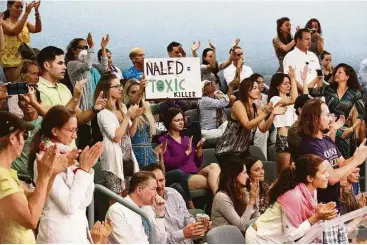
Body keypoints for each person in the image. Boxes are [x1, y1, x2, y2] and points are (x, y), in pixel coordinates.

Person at [28, 105, 103, 244]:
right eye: (71, 130)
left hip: (77, 232)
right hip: (58, 235)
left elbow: (85, 201)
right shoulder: (44, 160)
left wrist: (88, 169)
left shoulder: (69, 154)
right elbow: (69, 206)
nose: (75, 135)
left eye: (76, 130)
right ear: (55, 130)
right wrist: (84, 170)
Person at [0, 111, 65, 243]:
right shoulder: (2, 177)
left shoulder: (7, 173)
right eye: (24, 135)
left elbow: (34, 199)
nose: (25, 141)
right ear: (13, 138)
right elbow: (32, 219)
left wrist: (51, 174)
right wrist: (43, 176)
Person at [298, 99, 367, 222]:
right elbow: (332, 178)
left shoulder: (327, 140)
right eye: (327, 114)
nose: (330, 118)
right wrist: (356, 160)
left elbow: (342, 164)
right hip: (319, 210)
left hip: (334, 206)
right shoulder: (309, 145)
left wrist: (358, 154)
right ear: (315, 118)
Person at [245, 154, 338, 244]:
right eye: (323, 172)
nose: (328, 175)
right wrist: (315, 218)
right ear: (310, 178)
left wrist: (317, 211)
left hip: (278, 239)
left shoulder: (312, 191)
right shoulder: (293, 197)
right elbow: (290, 235)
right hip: (260, 239)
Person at [215, 77, 285, 162]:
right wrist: (265, 113)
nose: (258, 91)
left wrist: (272, 115)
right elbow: (247, 125)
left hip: (242, 151)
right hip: (228, 150)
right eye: (254, 88)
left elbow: (263, 128)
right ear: (246, 90)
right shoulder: (238, 104)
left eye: (258, 88)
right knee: (242, 167)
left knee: (258, 164)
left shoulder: (256, 107)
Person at [94, 73, 142, 196]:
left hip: (128, 157)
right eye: (116, 86)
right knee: (116, 197)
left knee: (128, 194)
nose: (120, 88)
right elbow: (115, 137)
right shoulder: (103, 113)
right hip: (113, 160)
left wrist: (135, 117)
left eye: (120, 85)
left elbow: (130, 133)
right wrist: (127, 117)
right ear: (107, 90)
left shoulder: (122, 107)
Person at [37, 46, 107, 125]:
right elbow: (55, 122)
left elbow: (80, 118)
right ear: (46, 65)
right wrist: (75, 98)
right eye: (60, 63)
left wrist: (94, 108)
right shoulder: (37, 89)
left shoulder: (63, 87)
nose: (64, 67)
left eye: (64, 63)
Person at [158, 107, 221, 195]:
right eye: (177, 120)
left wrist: (199, 150)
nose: (181, 123)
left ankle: (218, 201)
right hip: (182, 177)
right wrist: (186, 152)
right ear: (169, 123)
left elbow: (198, 163)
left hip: (195, 173)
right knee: (215, 182)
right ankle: (218, 201)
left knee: (214, 166)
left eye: (182, 120)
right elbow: (169, 163)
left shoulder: (187, 139)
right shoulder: (164, 140)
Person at [307, 63, 365, 158]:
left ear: (347, 76)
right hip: (328, 127)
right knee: (328, 158)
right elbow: (309, 90)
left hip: (344, 131)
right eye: (336, 72)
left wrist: (352, 128)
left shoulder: (355, 93)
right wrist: (318, 78)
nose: (336, 74)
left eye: (340, 72)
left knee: (343, 160)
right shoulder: (329, 89)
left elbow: (362, 114)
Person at [142, 164, 209, 244]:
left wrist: (198, 226)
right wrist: (183, 234)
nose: (159, 185)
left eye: (161, 180)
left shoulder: (173, 193)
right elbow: (158, 241)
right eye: (155, 182)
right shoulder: (145, 207)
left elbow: (186, 218)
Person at [65, 33, 109, 149]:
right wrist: (92, 46)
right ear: (73, 50)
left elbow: (104, 68)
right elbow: (87, 66)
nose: (85, 50)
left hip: (93, 106)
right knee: (84, 141)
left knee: (96, 140)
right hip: (82, 108)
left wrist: (103, 48)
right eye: (81, 47)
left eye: (86, 47)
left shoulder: (88, 65)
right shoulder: (72, 64)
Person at [106, 171, 167, 244]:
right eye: (153, 189)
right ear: (139, 190)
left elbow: (159, 241)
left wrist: (159, 213)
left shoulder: (147, 209)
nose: (156, 194)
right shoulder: (116, 211)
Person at [211, 155, 260, 233]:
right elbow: (242, 227)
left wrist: (255, 198)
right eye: (244, 173)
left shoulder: (242, 192)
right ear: (234, 175)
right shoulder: (221, 197)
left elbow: (254, 220)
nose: (247, 176)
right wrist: (251, 201)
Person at [1, 0, 42, 82]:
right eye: (17, 6)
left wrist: (36, 11)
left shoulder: (24, 22)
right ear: (9, 7)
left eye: (21, 7)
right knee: (17, 87)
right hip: (11, 62)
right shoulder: (3, 22)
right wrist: (26, 13)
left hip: (25, 59)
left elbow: (37, 29)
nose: (20, 9)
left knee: (29, 87)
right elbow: (14, 31)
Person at [268, 68, 298, 174]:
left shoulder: (290, 100)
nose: (289, 85)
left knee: (295, 171)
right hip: (283, 136)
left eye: (289, 83)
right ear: (278, 86)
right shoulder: (275, 99)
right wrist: (293, 78)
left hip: (295, 137)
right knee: (283, 173)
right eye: (285, 83)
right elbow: (294, 99)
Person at [11, 89, 43, 184]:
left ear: (39, 102)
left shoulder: (45, 123)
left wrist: (34, 103)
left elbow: (59, 122)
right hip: (16, 178)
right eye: (23, 100)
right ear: (19, 104)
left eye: (30, 99)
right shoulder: (13, 125)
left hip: (36, 178)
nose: (27, 103)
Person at [124, 78, 157, 168]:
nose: (137, 94)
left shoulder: (147, 111)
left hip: (149, 156)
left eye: (139, 92)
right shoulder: (126, 109)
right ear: (127, 95)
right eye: (133, 92)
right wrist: (141, 89)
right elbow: (132, 102)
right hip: (134, 155)